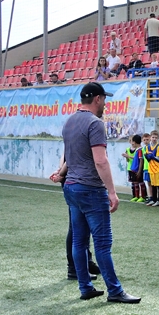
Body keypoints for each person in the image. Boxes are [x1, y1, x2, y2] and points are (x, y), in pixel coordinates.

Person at [51, 82, 140, 303]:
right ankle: (115, 291)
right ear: (98, 99)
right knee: (102, 243)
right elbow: (100, 161)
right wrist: (112, 191)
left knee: (79, 242)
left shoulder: (69, 122)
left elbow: (70, 157)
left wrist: (61, 174)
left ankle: (85, 287)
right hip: (90, 189)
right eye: (104, 99)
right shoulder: (95, 123)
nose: (106, 104)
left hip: (72, 187)